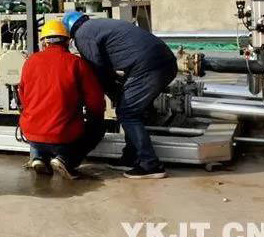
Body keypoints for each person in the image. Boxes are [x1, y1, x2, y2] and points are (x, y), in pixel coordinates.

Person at [62, 12, 178, 179]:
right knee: (133, 111)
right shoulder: (97, 25)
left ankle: (150, 164)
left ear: (69, 31)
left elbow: (98, 69)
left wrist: (108, 94)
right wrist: (116, 90)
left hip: (150, 66)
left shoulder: (82, 35)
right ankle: (131, 157)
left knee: (128, 113)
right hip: (162, 61)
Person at [18, 19, 106, 180]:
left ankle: (38, 158)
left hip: (31, 133)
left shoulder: (30, 62)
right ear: (67, 41)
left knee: (40, 125)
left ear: (44, 42)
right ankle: (66, 160)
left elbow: (22, 96)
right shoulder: (76, 63)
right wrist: (94, 117)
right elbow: (95, 100)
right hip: (63, 135)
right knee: (97, 127)